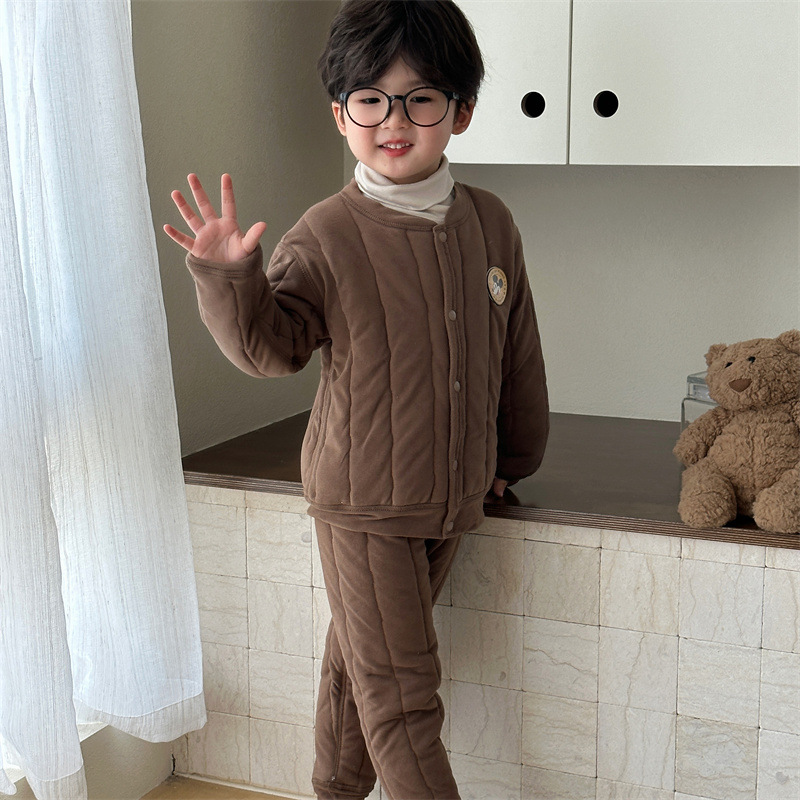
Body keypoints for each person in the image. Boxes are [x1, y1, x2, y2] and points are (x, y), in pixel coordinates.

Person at [164, 2, 549, 797]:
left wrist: (512, 459)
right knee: (403, 698)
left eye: (421, 98)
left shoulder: (491, 222)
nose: (394, 120)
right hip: (364, 502)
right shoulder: (326, 233)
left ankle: (335, 791)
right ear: (341, 114)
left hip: (454, 497)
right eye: (370, 99)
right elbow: (272, 349)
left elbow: (516, 350)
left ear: (461, 111)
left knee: (360, 668)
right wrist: (230, 277)